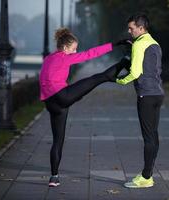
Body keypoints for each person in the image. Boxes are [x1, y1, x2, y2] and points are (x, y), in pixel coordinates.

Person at [39, 28, 129, 187]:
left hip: (51, 104)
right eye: (74, 49)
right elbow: (91, 54)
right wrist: (115, 44)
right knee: (98, 78)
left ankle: (54, 177)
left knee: (57, 141)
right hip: (63, 97)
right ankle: (124, 62)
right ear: (65, 48)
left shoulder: (47, 59)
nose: (76, 51)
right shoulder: (64, 58)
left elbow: (45, 80)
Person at [116, 13, 164, 188]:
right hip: (158, 94)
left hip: (146, 95)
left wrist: (119, 80)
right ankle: (147, 174)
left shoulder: (139, 45)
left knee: (149, 138)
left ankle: (146, 177)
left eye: (132, 28)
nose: (129, 31)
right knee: (154, 136)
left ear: (141, 28)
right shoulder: (154, 43)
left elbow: (135, 73)